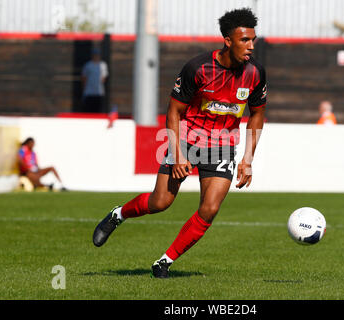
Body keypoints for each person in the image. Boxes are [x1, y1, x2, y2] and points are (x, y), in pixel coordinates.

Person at [92, 8, 267, 278]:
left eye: (252, 39)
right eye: (244, 40)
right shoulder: (197, 69)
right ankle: (119, 214)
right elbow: (174, 112)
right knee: (160, 202)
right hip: (186, 139)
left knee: (209, 208)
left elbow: (257, 115)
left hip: (222, 146)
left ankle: (165, 261)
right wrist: (177, 155)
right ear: (227, 40)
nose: (250, 46)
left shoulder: (255, 74)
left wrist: (247, 159)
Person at [81, 47, 108, 113]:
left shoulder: (103, 65)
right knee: (89, 111)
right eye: (95, 55)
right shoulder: (88, 65)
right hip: (89, 93)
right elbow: (84, 78)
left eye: (97, 55)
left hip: (99, 93)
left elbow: (103, 79)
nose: (96, 56)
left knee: (98, 111)